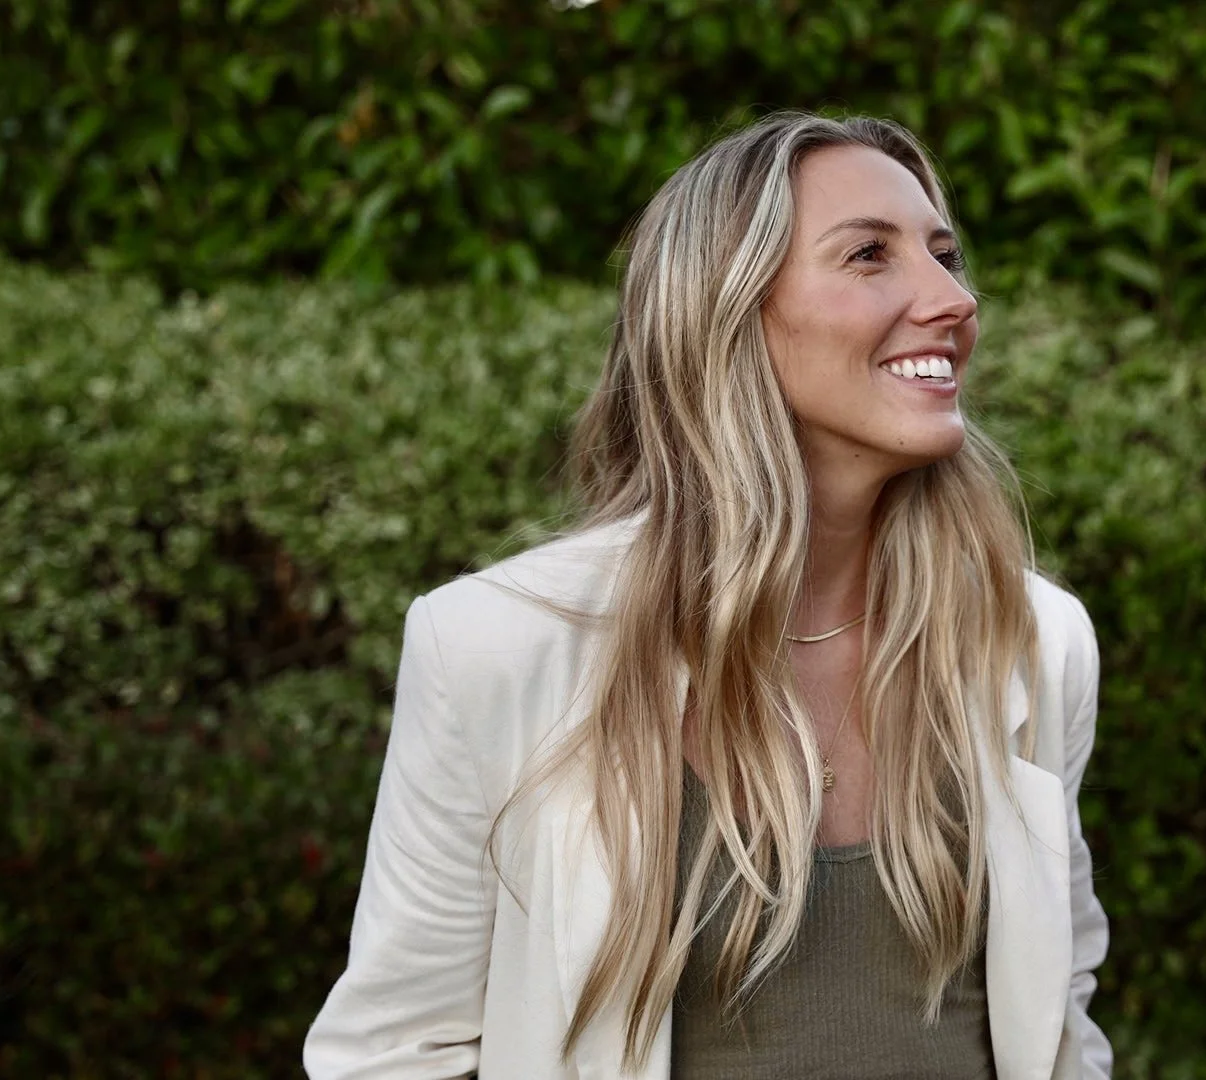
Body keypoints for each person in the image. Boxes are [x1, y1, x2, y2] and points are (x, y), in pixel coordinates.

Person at [303, 111, 1112, 1080]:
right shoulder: (494, 648)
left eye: (946, 256)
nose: (950, 299)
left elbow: (1059, 1025)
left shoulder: (1030, 640)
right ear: (727, 310)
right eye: (869, 256)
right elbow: (392, 1055)